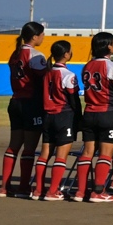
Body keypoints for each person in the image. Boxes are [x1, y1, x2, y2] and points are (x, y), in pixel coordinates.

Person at [76, 33, 113, 202]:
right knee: (106, 153)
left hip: (89, 113)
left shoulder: (87, 66)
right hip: (109, 113)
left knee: (87, 153)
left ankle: (80, 192)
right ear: (108, 46)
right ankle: (98, 192)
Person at [0, 22, 47, 198]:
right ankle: (24, 187)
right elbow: (43, 79)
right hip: (31, 103)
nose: (43, 37)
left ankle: (4, 187)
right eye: (42, 34)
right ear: (34, 37)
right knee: (29, 148)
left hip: (15, 101)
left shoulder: (15, 53)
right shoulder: (35, 55)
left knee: (13, 145)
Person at [34, 40, 80, 200]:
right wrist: (78, 118)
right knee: (61, 156)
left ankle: (38, 190)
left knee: (44, 154)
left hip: (48, 116)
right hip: (64, 116)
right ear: (66, 54)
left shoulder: (47, 73)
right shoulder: (68, 75)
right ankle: (52, 191)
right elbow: (74, 100)